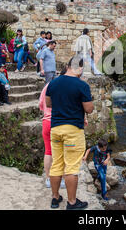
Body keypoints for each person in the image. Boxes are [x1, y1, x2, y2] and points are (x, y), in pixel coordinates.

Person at [45, 56, 94, 210]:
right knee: (72, 167)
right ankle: (72, 203)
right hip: (73, 129)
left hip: (56, 129)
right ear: (79, 68)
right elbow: (89, 109)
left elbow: (48, 103)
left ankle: (55, 198)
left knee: (57, 164)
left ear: (67, 66)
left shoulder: (53, 83)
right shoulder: (82, 85)